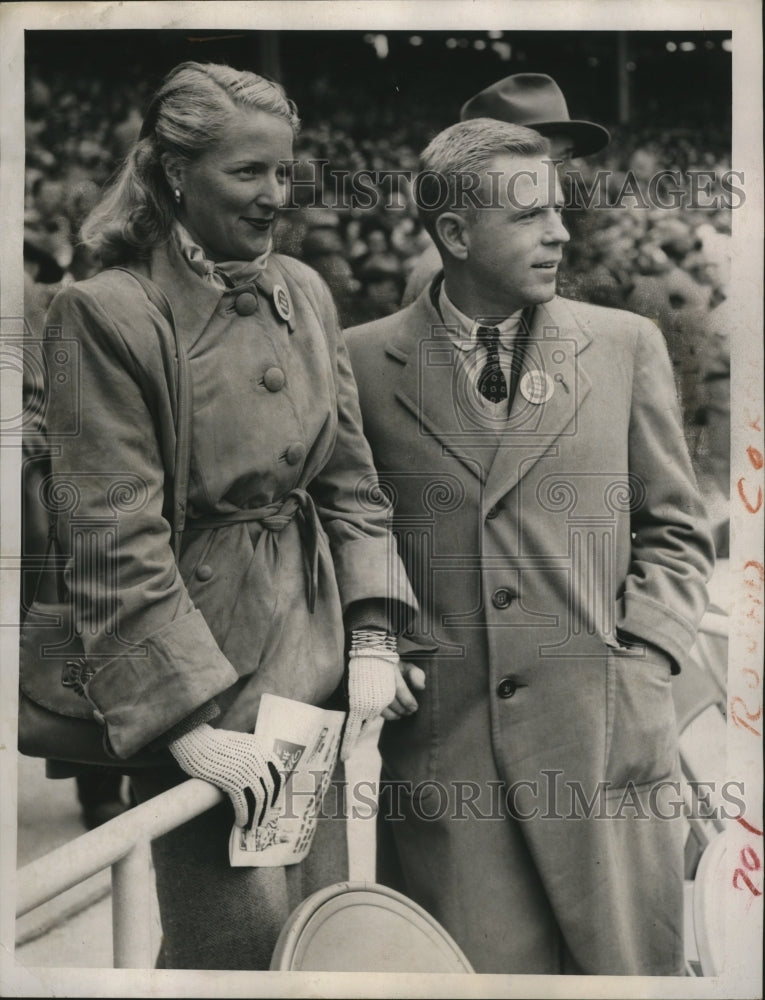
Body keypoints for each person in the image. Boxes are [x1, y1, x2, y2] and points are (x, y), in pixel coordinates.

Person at [34, 61, 416, 970]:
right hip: (201, 679)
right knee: (229, 953)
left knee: (312, 939)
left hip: (312, 676)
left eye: (284, 173)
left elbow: (351, 480)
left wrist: (370, 631)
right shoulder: (105, 313)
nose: (275, 196)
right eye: (249, 173)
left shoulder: (305, 291)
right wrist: (185, 727)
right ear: (173, 172)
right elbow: (109, 534)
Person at [346, 119, 714, 975]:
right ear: (453, 235)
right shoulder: (359, 363)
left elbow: (677, 528)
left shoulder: (624, 345)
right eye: (527, 216)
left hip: (603, 742)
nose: (559, 233)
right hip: (448, 757)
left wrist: (646, 655)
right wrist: (378, 637)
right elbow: (347, 523)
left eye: (558, 211)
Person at [400, 73, 610, 307]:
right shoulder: (448, 273)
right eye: (551, 159)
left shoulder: (510, 253)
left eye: (566, 157)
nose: (566, 172)